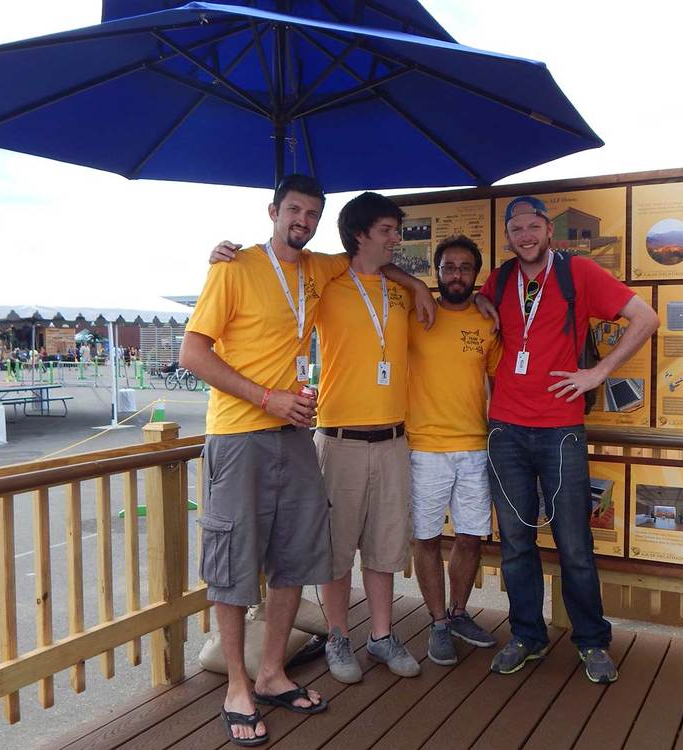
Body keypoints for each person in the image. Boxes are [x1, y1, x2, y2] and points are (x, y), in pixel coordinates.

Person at [189, 177, 434, 746]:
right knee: (233, 562)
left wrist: (414, 280)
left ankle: (272, 673)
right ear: (273, 211)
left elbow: (372, 258)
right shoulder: (234, 267)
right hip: (239, 432)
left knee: (295, 559)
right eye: (294, 210)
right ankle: (238, 688)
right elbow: (192, 353)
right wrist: (266, 397)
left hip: (295, 435)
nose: (303, 219)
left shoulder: (318, 269)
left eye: (312, 213)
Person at [478, 196, 659, 683]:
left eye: (533, 226)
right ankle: (526, 636)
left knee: (574, 543)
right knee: (516, 542)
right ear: (509, 236)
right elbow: (479, 301)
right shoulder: (499, 279)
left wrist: (598, 372)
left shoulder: (576, 272)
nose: (525, 236)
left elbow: (646, 318)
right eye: (516, 229)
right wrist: (481, 302)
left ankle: (593, 641)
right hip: (505, 430)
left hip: (560, 430)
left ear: (548, 231)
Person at [312, 192, 421, 684]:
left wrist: (411, 278)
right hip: (339, 439)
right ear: (360, 234)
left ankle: (381, 636)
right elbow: (281, 276)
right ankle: (338, 636)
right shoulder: (327, 282)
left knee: (383, 547)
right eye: (387, 230)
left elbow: (428, 312)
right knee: (335, 550)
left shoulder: (400, 288)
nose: (395, 238)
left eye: (396, 230)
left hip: (394, 439)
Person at [408, 235, 502, 666]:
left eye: (465, 268)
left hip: (474, 446)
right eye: (449, 267)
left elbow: (500, 382)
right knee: (426, 538)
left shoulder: (488, 322)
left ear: (476, 275)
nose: (457, 275)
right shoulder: (414, 312)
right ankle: (438, 623)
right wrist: (413, 287)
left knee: (470, 535)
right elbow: (386, 271)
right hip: (423, 447)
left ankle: (459, 612)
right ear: (437, 272)